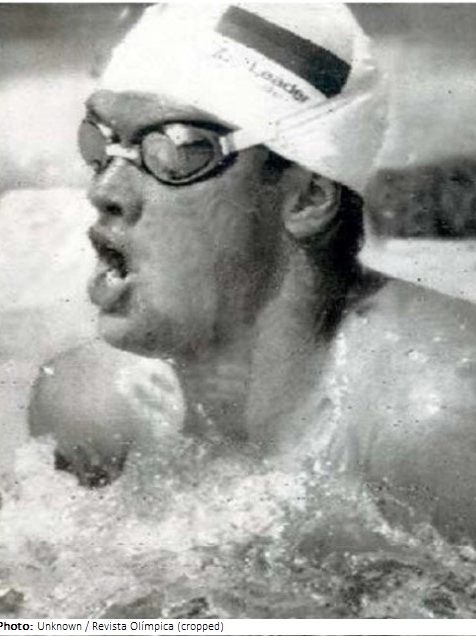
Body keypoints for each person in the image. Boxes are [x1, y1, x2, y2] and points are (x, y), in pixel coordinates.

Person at [30, 4, 476, 542]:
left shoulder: (439, 421)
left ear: (308, 198)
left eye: (177, 151)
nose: (104, 190)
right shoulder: (93, 409)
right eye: (102, 144)